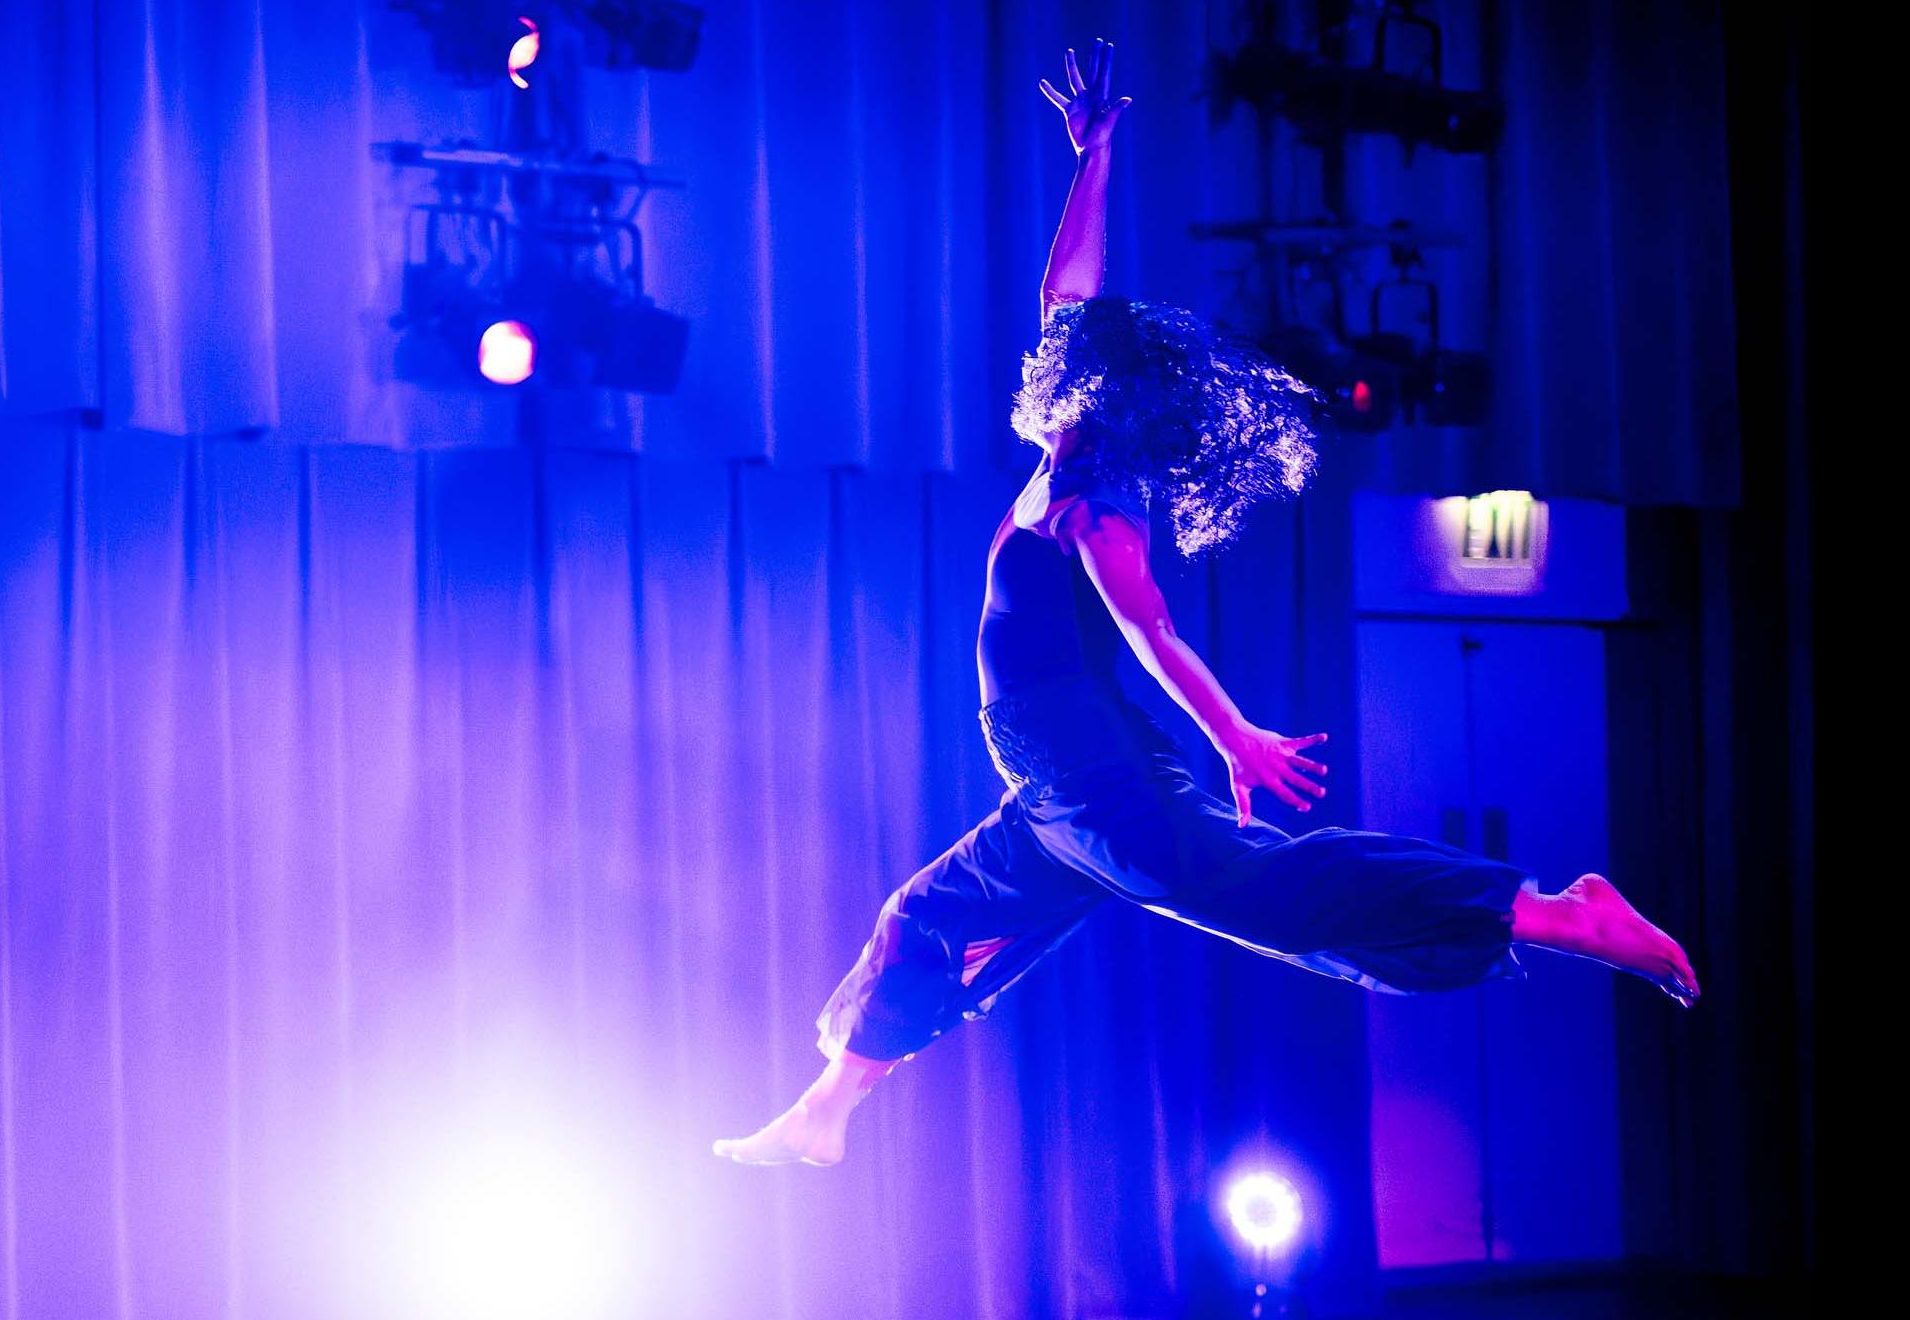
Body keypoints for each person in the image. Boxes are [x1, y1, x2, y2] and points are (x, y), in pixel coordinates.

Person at [712, 40, 1698, 1169]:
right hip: (1050, 795)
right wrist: (1098, 154)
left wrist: (1235, 736)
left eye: (1071, 362)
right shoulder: (1069, 451)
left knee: (1274, 893)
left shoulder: (1095, 497)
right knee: (922, 921)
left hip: (1100, 787)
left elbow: (1154, 633)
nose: (1053, 354)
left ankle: (1559, 914)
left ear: (1099, 397)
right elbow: (1064, 289)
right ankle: (824, 1115)